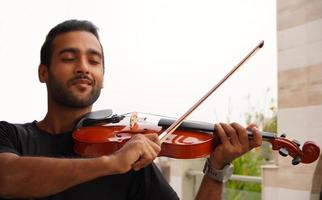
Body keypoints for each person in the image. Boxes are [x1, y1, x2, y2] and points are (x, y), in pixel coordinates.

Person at [0, 19, 262, 200]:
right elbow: (7, 178)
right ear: (43, 72)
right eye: (69, 58)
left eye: (94, 60)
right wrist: (109, 164)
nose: (83, 67)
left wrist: (217, 168)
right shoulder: (10, 136)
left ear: (102, 76)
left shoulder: (131, 158)